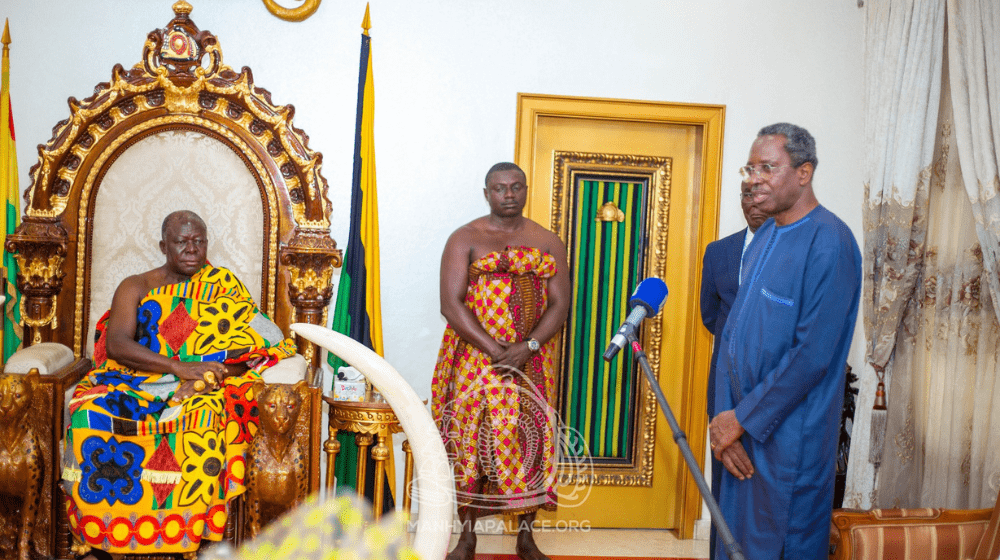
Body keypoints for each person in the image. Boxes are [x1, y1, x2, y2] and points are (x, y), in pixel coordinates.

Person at [63, 210, 296, 558]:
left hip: (201, 386)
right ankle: (102, 531)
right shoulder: (136, 285)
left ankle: (187, 536)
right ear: (163, 245)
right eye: (182, 241)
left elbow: (266, 339)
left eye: (199, 241)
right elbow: (118, 345)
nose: (192, 249)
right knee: (88, 413)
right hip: (135, 380)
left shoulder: (224, 287)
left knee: (204, 418)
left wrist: (202, 375)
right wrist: (178, 367)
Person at [708, 124, 862, 559]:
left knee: (776, 545)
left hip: (787, 440)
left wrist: (742, 419)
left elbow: (812, 355)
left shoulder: (830, 241)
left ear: (804, 172)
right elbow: (731, 339)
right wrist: (725, 421)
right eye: (751, 167)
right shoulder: (765, 237)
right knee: (732, 542)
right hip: (738, 431)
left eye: (768, 168)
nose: (753, 178)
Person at [432, 162, 571, 560]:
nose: (508, 194)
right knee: (471, 441)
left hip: (530, 360)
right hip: (475, 359)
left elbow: (561, 304)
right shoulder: (466, 238)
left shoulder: (546, 240)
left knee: (529, 439)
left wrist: (526, 347)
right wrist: (497, 351)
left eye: (515, 187)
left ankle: (526, 537)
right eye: (499, 188)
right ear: (487, 193)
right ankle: (467, 537)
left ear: (526, 190)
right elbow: (450, 304)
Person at [699, 180, 768, 560]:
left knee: (764, 484)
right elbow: (711, 315)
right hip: (725, 385)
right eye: (745, 195)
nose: (753, 203)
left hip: (774, 386)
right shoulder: (719, 251)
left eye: (761, 194)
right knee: (725, 479)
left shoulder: (795, 251)